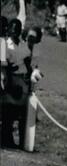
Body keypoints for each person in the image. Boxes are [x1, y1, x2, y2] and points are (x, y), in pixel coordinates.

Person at [1, 18, 31, 148]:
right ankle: (7, 139)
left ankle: (20, 141)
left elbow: (27, 60)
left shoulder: (23, 44)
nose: (14, 31)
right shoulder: (5, 44)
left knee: (19, 112)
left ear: (20, 30)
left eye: (17, 29)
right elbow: (4, 64)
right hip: (11, 78)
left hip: (23, 78)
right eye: (12, 29)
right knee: (8, 110)